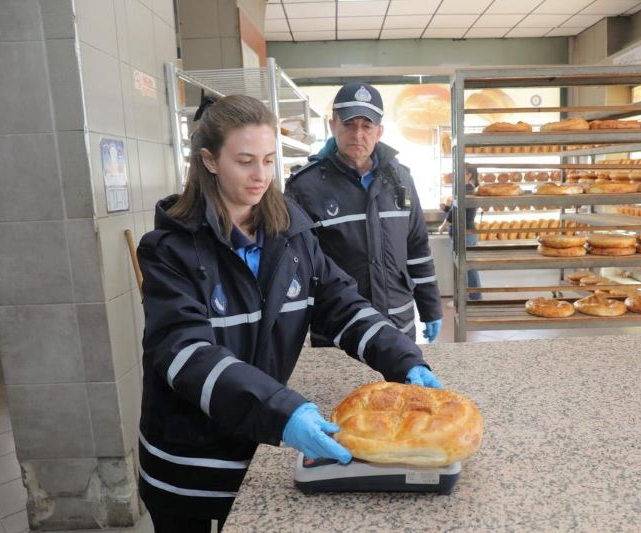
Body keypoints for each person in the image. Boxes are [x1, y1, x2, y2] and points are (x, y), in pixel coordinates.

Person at [136, 94, 442, 532]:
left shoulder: (290, 234)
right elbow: (186, 354)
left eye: (268, 159)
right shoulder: (171, 251)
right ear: (209, 160)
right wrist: (284, 411)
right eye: (244, 161)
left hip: (258, 446)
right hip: (192, 467)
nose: (261, 175)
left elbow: (341, 304)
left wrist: (403, 358)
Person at [286, 83, 443, 345]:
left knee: (396, 388)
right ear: (332, 125)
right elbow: (296, 264)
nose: (358, 134)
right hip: (338, 327)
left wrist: (430, 307)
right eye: (349, 124)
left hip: (397, 323)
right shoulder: (305, 186)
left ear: (379, 131)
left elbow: (417, 248)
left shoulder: (401, 179)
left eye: (367, 126)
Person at [438, 165, 482, 300]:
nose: (456, 175)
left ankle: (469, 299)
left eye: (459, 173)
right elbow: (457, 211)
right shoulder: (470, 189)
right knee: (468, 268)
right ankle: (471, 298)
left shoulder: (466, 190)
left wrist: (443, 226)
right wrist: (446, 208)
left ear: (469, 175)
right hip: (467, 233)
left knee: (464, 269)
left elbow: (454, 214)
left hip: (464, 235)